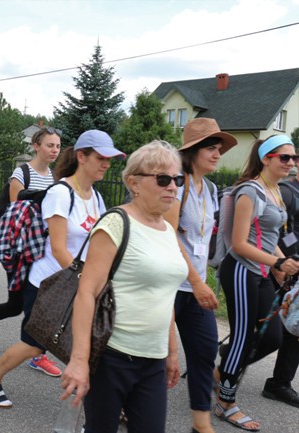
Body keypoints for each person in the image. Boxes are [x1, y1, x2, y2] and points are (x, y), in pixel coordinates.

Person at [0, 130, 124, 409]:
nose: (107, 163)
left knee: (90, 347)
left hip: (79, 283)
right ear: (82, 157)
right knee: (34, 344)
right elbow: (58, 248)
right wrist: (85, 282)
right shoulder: (60, 193)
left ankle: (102, 411)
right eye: (101, 157)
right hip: (49, 284)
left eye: (110, 158)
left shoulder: (96, 196)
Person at [61, 140, 188, 433]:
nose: (172, 187)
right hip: (112, 357)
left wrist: (171, 353)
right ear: (134, 182)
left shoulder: (167, 230)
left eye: (177, 179)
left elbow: (165, 295)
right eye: (163, 179)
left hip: (153, 361)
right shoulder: (115, 224)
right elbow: (87, 293)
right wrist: (79, 361)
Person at [215, 135, 299, 430]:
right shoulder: (250, 191)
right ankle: (225, 402)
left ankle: (221, 369)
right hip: (240, 270)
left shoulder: (275, 190)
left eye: (294, 157)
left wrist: (284, 263)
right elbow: (238, 243)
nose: (291, 163)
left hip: (260, 272)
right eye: (284, 158)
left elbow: (271, 237)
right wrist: (277, 262)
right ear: (266, 158)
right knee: (241, 335)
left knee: (273, 337)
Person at [161, 118, 237, 433]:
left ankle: (201, 424)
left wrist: (202, 279)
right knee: (152, 355)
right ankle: (124, 406)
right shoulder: (176, 184)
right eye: (210, 148)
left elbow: (202, 238)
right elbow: (168, 234)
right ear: (192, 152)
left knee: (205, 351)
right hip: (168, 284)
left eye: (219, 149)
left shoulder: (212, 188)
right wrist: (195, 279)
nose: (217, 154)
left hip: (194, 286)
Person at [0, 126, 62, 375]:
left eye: (57, 146)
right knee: (16, 305)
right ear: (36, 146)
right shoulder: (21, 173)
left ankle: (37, 354)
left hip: (43, 249)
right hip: (20, 249)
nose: (54, 150)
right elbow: (15, 209)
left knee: (41, 304)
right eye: (50, 145)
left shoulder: (54, 177)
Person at [263, 168, 299, 408]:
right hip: (283, 268)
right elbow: (268, 230)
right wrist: (278, 265)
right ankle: (230, 361)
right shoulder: (286, 191)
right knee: (269, 325)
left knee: (292, 327)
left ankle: (280, 382)